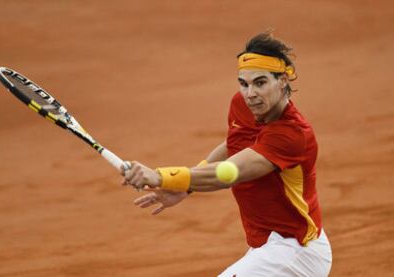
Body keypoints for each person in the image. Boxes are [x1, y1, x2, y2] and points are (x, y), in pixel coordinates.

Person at [121, 31, 332, 276]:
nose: (250, 93)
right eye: (244, 83)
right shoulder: (245, 105)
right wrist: (186, 186)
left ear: (283, 80)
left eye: (260, 82)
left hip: (294, 250)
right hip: (267, 246)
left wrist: (160, 176)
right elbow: (233, 147)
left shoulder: (292, 135)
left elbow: (230, 172)